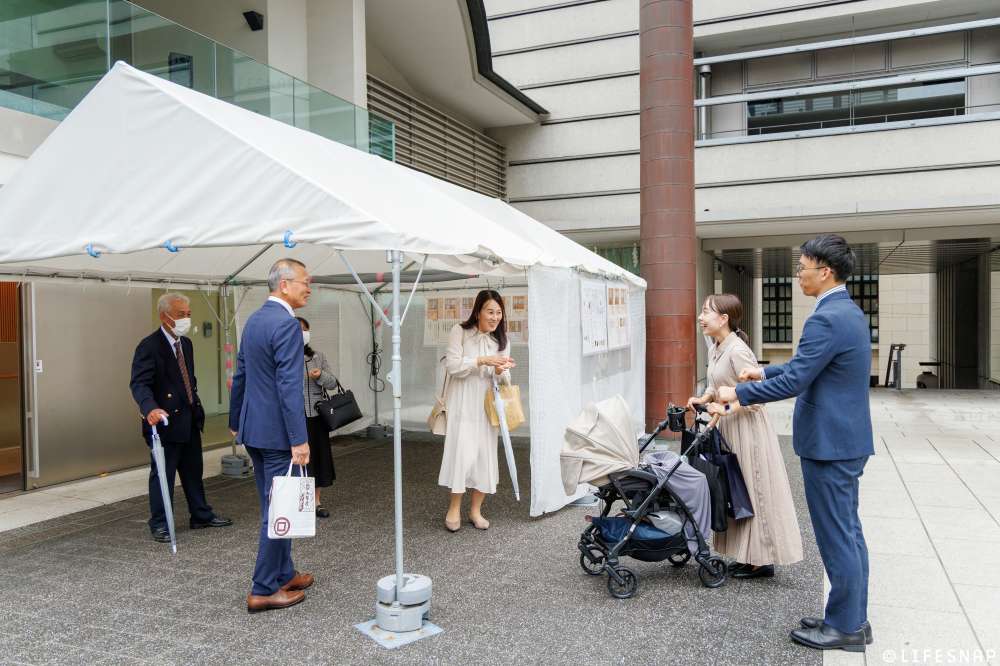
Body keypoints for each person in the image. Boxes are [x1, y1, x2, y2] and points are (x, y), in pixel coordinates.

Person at [716, 234, 874, 653]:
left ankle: (845, 627)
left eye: (802, 268)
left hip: (831, 444)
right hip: (845, 440)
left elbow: (801, 378)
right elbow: (808, 364)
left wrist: (741, 394)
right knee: (849, 532)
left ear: (825, 271)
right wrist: (763, 373)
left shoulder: (826, 317)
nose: (798, 275)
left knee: (838, 535)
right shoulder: (846, 311)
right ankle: (852, 618)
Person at [687, 294, 802, 580]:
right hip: (729, 427)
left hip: (748, 430)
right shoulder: (716, 347)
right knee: (736, 491)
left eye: (706, 312)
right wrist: (704, 398)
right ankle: (749, 555)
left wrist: (723, 407)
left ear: (724, 318)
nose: (701, 318)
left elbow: (756, 399)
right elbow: (721, 385)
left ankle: (762, 559)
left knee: (754, 489)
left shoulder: (738, 350)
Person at [230, 259, 314, 614]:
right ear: (284, 284)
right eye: (305, 282)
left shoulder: (254, 320)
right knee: (278, 509)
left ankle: (283, 572)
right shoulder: (287, 325)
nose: (309, 288)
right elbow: (290, 386)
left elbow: (241, 374)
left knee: (274, 503)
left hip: (255, 430)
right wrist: (299, 438)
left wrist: (236, 420)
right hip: (280, 434)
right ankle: (264, 588)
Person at [130, 293, 232, 543]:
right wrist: (150, 408)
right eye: (181, 315)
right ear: (165, 317)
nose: (186, 319)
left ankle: (201, 515)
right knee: (163, 475)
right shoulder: (149, 346)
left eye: (188, 314)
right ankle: (160, 523)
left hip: (189, 418)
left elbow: (189, 380)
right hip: (164, 422)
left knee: (193, 471)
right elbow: (139, 383)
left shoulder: (185, 343)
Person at [438, 289, 516, 532]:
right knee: (462, 452)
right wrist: (482, 361)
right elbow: (453, 366)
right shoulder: (459, 331)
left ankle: (475, 510)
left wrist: (502, 370)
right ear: (478, 311)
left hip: (487, 403)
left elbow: (503, 377)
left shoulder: (501, 341)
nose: (495, 317)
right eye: (490, 312)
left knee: (485, 455)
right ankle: (453, 508)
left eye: (499, 313)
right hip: (462, 401)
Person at [296, 316, 338, 519]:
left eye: (305, 330)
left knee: (318, 458)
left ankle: (316, 502)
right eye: (299, 330)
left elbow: (332, 383)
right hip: (294, 416)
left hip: (316, 414)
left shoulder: (318, 356)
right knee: (297, 460)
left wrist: (319, 375)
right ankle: (297, 502)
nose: (303, 333)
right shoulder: (281, 357)